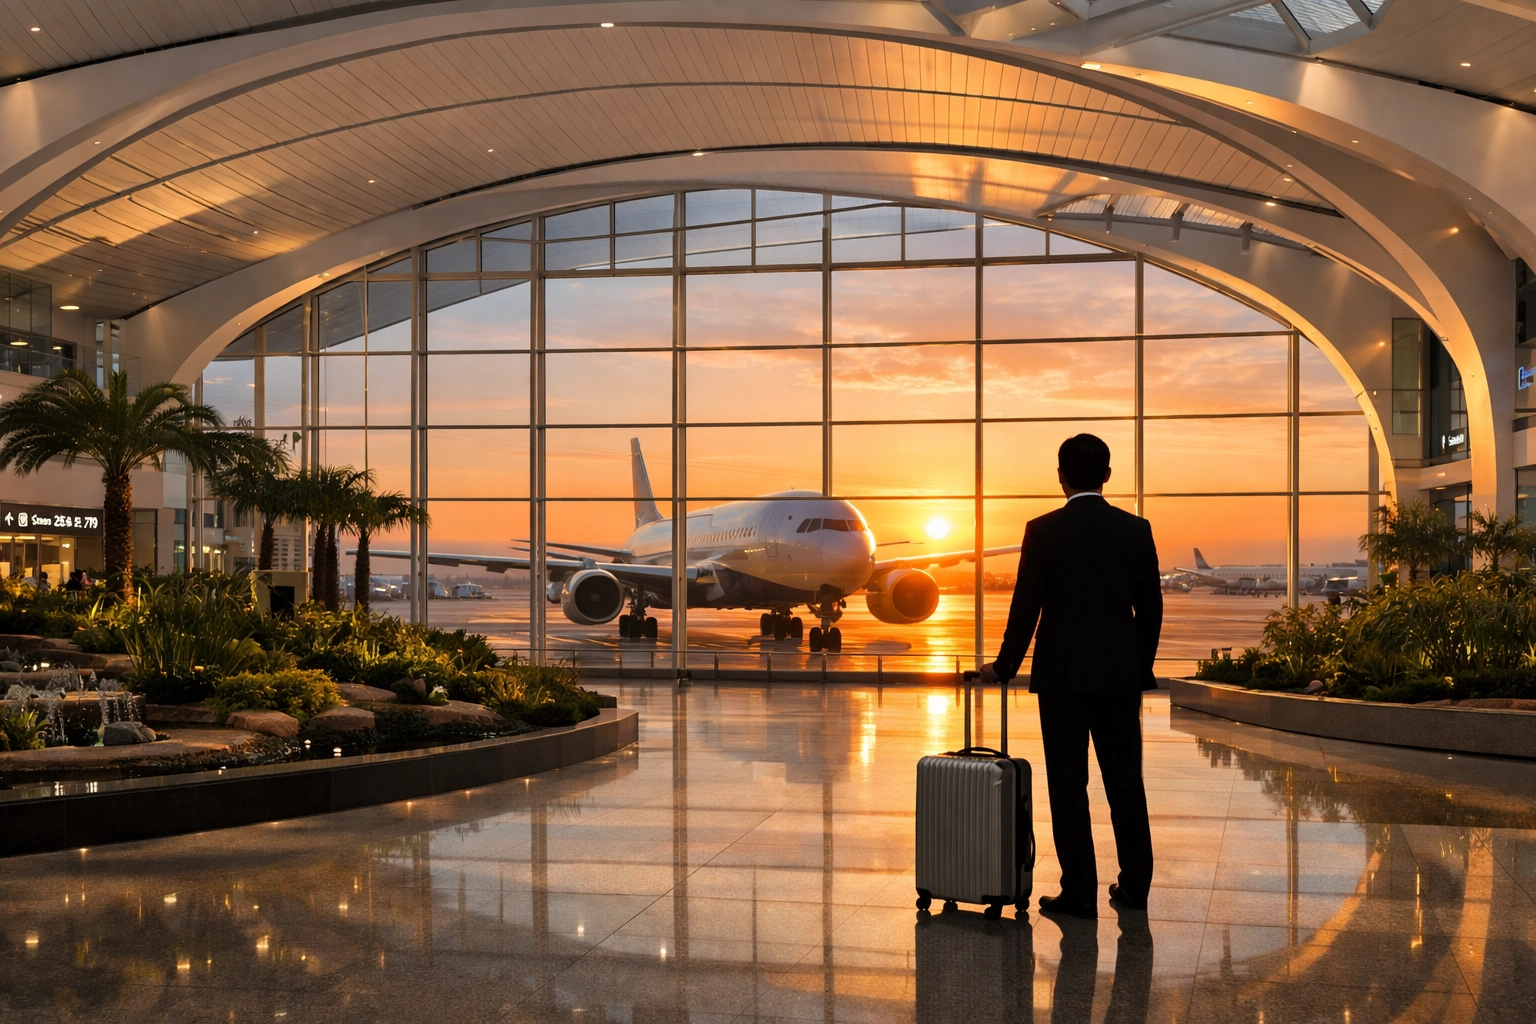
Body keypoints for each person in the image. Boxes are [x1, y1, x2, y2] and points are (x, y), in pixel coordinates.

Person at [979, 433, 1162, 918]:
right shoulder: (1135, 529)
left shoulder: (1043, 530)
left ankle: (1080, 892)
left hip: (1062, 679)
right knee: (1126, 782)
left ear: (1060, 476)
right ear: (1107, 475)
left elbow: (1026, 607)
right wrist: (1137, 666)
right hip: (1119, 679)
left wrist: (1004, 666)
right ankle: (1136, 886)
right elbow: (1151, 609)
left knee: (1068, 786)